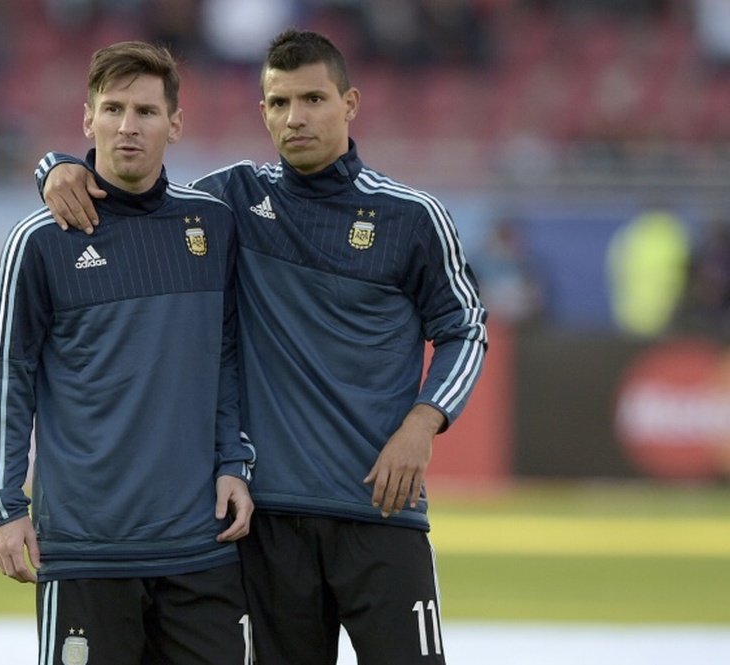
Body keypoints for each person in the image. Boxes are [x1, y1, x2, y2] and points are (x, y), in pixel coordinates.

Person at [34, 29, 487, 664]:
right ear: (262, 111)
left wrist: (423, 421)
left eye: (313, 99)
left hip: (381, 511)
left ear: (350, 103)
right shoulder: (234, 202)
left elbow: (466, 326)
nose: (295, 118)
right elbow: (141, 185)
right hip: (267, 522)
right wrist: (57, 167)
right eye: (278, 103)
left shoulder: (411, 217)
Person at [0, 41, 256, 665]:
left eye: (147, 112)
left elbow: (228, 358)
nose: (128, 126)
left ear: (175, 124)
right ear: (88, 119)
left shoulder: (213, 225)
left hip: (199, 547)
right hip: (86, 550)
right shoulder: (40, 242)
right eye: (113, 109)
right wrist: (2, 506)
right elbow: (8, 376)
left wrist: (236, 460)